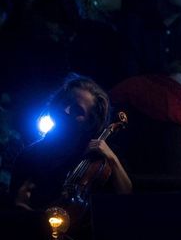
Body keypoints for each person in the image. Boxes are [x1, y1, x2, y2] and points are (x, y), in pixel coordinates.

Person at [10, 74, 132, 214]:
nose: (65, 110)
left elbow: (126, 193)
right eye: (64, 102)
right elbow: (16, 208)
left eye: (76, 110)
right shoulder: (29, 156)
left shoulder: (99, 157)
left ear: (89, 122)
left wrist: (112, 158)